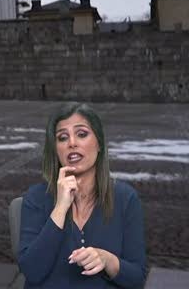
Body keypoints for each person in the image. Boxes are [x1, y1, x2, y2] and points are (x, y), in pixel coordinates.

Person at [17, 103, 146, 288]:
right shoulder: (37, 197)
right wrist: (60, 208)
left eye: (82, 134)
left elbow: (136, 279)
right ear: (56, 150)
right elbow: (31, 271)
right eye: (62, 138)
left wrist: (107, 259)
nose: (72, 143)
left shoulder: (125, 199)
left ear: (99, 143)